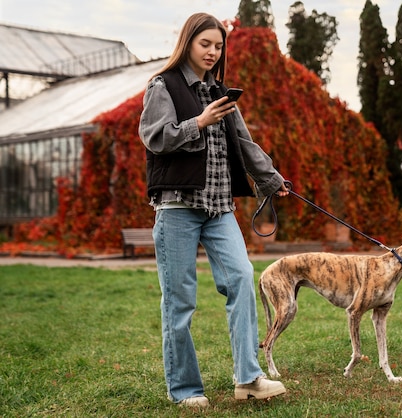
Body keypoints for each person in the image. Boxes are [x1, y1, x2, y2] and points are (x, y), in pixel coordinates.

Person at [138, 12, 288, 407]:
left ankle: (248, 378)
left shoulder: (223, 94)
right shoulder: (162, 86)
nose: (212, 51)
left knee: (241, 277)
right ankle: (186, 390)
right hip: (177, 208)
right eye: (205, 43)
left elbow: (245, 144)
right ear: (188, 42)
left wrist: (272, 180)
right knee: (180, 300)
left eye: (218, 46)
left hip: (220, 209)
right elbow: (155, 137)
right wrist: (199, 122)